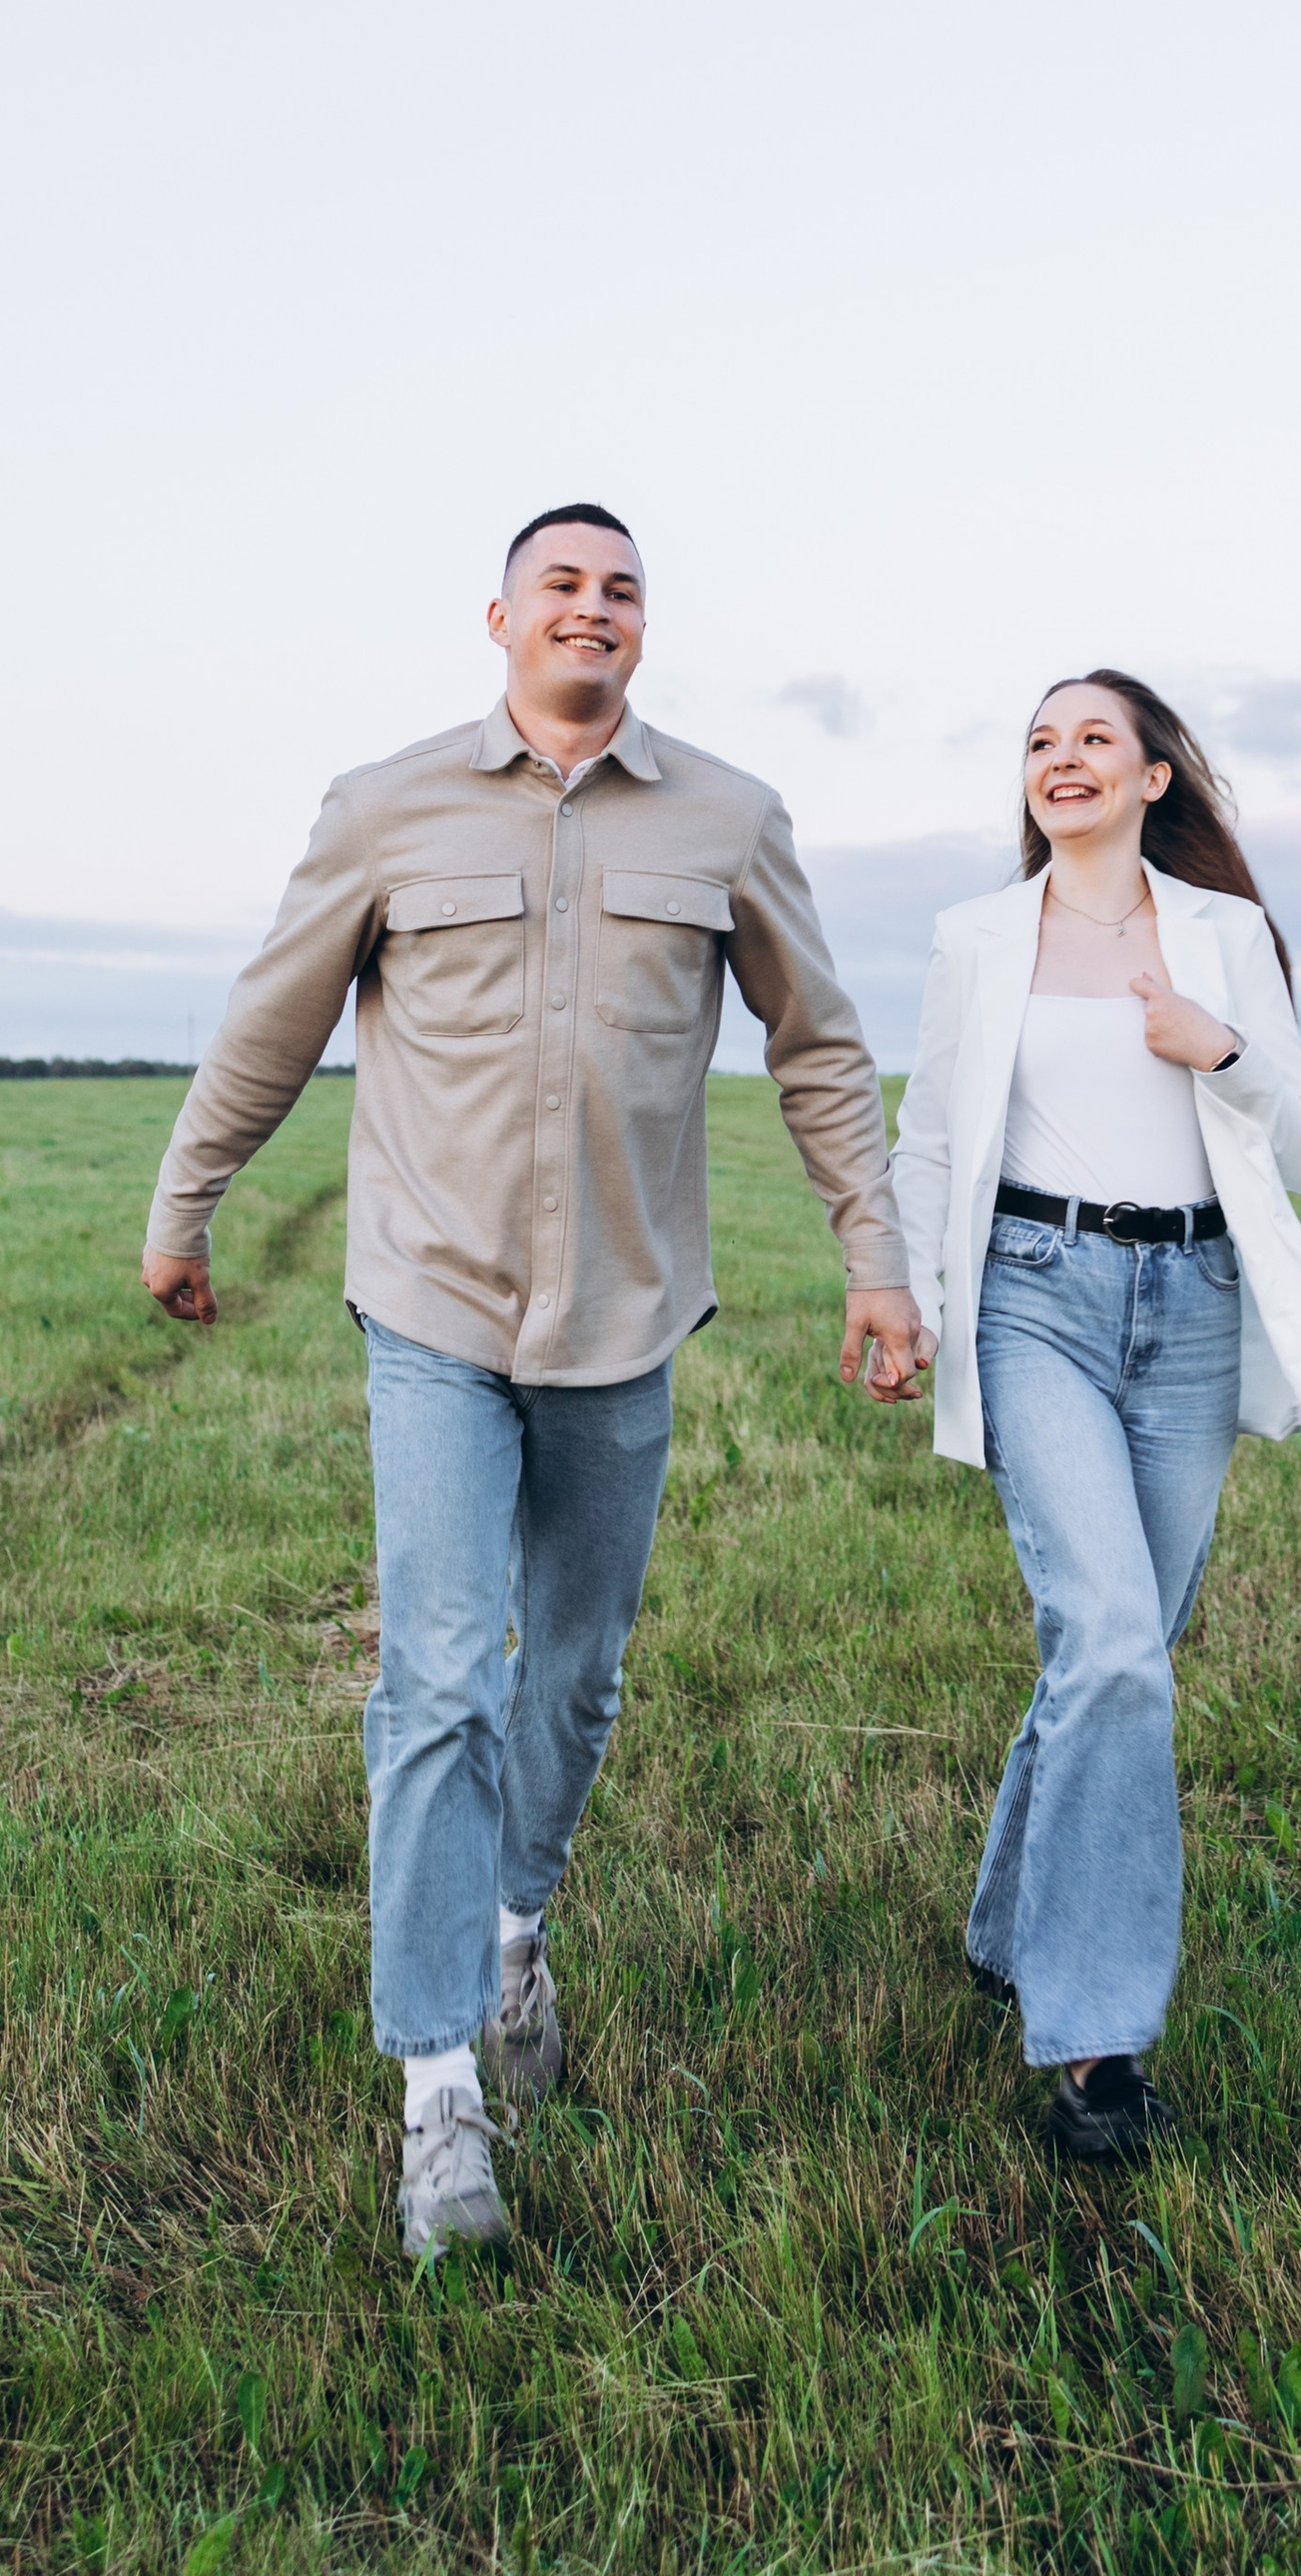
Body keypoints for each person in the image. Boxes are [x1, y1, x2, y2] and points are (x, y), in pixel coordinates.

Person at [141, 506, 927, 2258]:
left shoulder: (730, 819)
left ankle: (512, 1928)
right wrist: (185, 1201)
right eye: (563, 584)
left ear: (647, 629)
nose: (594, 608)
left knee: (571, 1679)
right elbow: (274, 1019)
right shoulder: (386, 806)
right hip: (430, 1303)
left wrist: (875, 1256)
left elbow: (819, 1045)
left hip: (628, 1319)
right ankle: (438, 2097)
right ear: (499, 617)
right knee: (435, 1680)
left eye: (623, 588)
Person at [891, 669, 1301, 2161]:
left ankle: (1006, 1924)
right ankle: (1096, 2048)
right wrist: (915, 1300)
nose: (1064, 761)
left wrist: (1219, 1050)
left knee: (1122, 1649)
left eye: (1093, 740)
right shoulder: (977, 939)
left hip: (1188, 1310)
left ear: (1153, 778)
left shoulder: (1225, 939)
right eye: (1041, 743)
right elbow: (930, 1136)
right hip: (1034, 1291)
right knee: (1113, 1639)